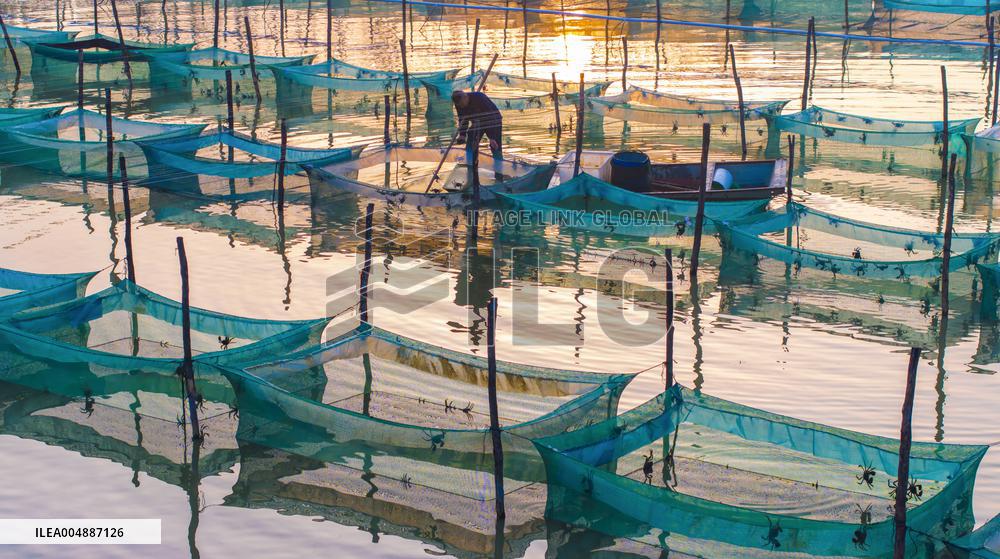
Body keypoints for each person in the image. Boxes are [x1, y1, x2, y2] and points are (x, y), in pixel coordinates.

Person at [451, 90, 503, 177]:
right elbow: (463, 118)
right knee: (470, 146)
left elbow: (492, 116)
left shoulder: (479, 97)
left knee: (495, 147)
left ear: (465, 97)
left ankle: (499, 175)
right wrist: (462, 135)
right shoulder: (458, 103)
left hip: (494, 121)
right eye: (460, 105)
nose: (462, 107)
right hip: (477, 123)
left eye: (463, 104)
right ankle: (471, 172)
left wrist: (492, 138)